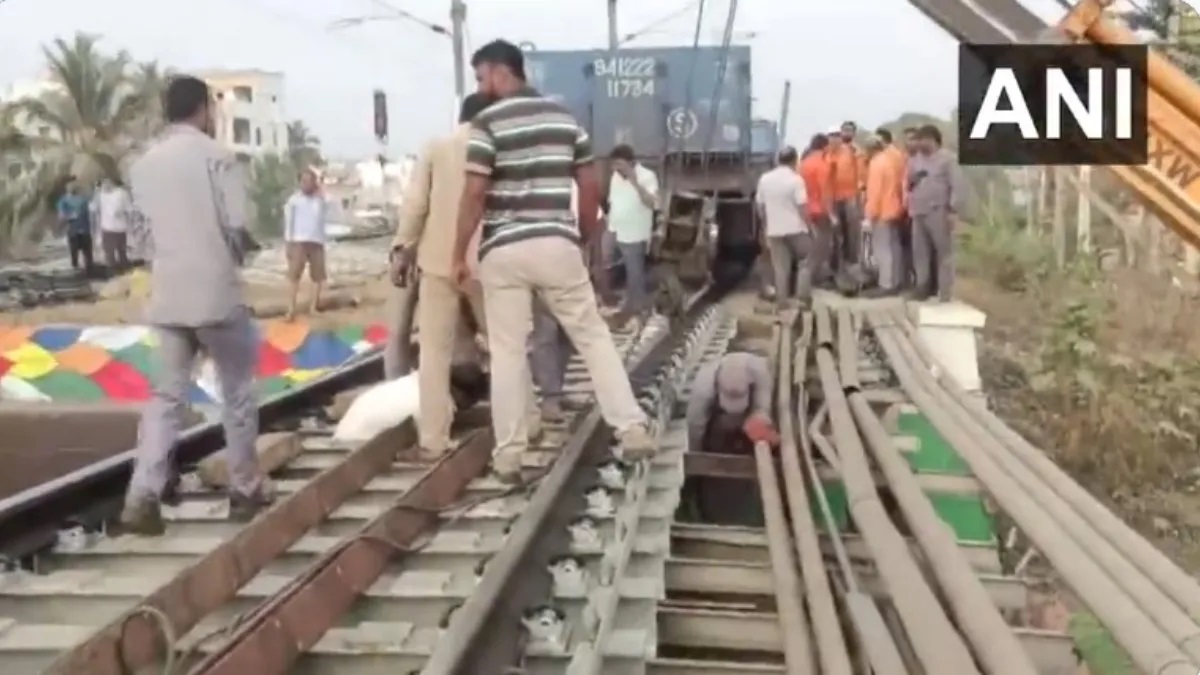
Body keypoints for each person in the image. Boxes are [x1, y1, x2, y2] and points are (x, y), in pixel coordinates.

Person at [450, 39, 657, 482]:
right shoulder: (566, 121)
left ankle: (509, 454)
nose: (482, 86)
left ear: (503, 72)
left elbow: (474, 194)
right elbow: (588, 187)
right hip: (556, 245)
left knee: (507, 351)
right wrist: (581, 236)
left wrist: (458, 253)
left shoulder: (485, 124)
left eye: (483, 76)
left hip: (503, 250)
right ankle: (632, 427)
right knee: (592, 336)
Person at [121, 75, 268, 535]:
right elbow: (238, 223)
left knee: (165, 397)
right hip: (216, 295)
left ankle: (142, 496)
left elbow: (136, 240)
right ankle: (244, 490)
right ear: (203, 110)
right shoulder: (218, 158)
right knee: (237, 391)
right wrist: (238, 252)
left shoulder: (142, 166)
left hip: (167, 295)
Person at [390, 93, 495, 459]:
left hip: (438, 263)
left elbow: (417, 203)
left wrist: (403, 246)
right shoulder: (498, 150)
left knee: (434, 353)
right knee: (506, 348)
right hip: (487, 263)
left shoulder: (436, 147)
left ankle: (433, 440)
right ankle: (522, 426)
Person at [685, 351, 780, 523]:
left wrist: (759, 421)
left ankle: (748, 500)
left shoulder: (762, 372)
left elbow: (763, 407)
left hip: (748, 424)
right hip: (717, 427)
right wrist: (696, 459)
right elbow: (696, 427)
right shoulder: (703, 387)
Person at [906, 124, 964, 302]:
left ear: (932, 140)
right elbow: (909, 184)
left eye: (922, 140)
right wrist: (913, 180)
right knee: (920, 252)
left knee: (944, 253)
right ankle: (922, 288)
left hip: (938, 211)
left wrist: (953, 211)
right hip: (918, 212)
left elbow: (957, 185)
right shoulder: (915, 160)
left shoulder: (947, 159)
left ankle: (945, 292)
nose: (918, 144)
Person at [606, 144, 659, 325]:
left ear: (631, 163)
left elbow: (652, 203)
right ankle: (631, 304)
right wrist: (610, 228)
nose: (616, 169)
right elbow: (613, 202)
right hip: (616, 229)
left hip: (636, 232)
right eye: (614, 165)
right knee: (611, 267)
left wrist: (635, 181)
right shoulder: (615, 177)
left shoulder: (647, 176)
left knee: (634, 272)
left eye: (620, 165)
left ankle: (635, 308)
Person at [755, 146, 811, 309]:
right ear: (795, 161)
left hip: (774, 230)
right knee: (805, 261)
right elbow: (802, 207)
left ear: (777, 160)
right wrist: (808, 226)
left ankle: (782, 301)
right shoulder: (796, 179)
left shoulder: (765, 179)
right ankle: (802, 298)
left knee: (780, 267)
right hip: (796, 229)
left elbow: (760, 207)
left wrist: (766, 226)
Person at [863, 132, 907, 297]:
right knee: (894, 248)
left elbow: (874, 193)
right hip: (894, 209)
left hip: (882, 212)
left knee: (882, 250)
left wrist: (870, 215)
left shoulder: (876, 164)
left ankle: (886, 284)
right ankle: (896, 281)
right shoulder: (891, 160)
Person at [283, 167, 328, 319]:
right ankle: (291, 309)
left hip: (317, 241)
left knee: (318, 277)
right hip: (298, 242)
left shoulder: (320, 199)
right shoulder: (293, 200)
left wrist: (318, 177)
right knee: (294, 276)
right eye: (304, 181)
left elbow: (324, 189)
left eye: (310, 181)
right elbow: (289, 222)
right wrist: (288, 243)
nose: (306, 184)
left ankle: (313, 308)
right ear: (300, 183)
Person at [798, 134, 834, 287]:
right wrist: (831, 213)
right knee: (823, 245)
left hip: (806, 209)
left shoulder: (803, 164)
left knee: (813, 243)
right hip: (820, 210)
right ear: (825, 146)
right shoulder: (822, 165)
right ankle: (816, 276)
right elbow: (825, 191)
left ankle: (810, 275)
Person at [828, 122, 864, 272]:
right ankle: (836, 267)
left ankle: (852, 266)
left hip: (850, 198)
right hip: (833, 199)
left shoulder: (854, 151)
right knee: (836, 236)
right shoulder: (827, 153)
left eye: (838, 135)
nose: (836, 138)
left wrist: (860, 197)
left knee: (852, 235)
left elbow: (861, 174)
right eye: (833, 135)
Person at [57, 181, 94, 274]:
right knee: (76, 251)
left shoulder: (83, 199)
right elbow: (61, 215)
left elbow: (90, 212)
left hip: (83, 228)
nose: (71, 189)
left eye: (73, 188)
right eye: (70, 188)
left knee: (86, 251)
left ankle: (88, 269)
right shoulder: (64, 200)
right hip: (74, 229)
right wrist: (70, 216)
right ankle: (78, 269)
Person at [97, 178, 132, 272]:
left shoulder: (121, 193)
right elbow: (96, 209)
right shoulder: (101, 194)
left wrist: (121, 212)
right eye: (103, 186)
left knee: (121, 251)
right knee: (110, 252)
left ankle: (123, 269)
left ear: (112, 184)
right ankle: (114, 271)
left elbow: (129, 209)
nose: (104, 187)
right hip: (108, 227)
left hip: (119, 227)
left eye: (106, 185)